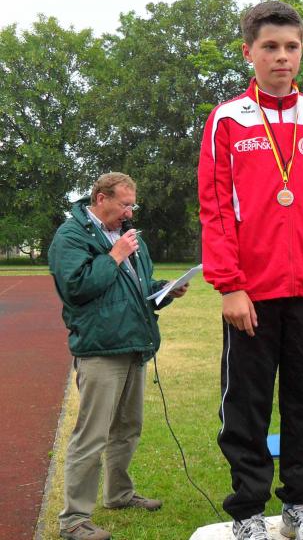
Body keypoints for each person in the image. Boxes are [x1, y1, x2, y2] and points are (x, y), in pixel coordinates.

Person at [198, 0, 303, 540]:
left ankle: (300, 503)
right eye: (270, 47)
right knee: (247, 404)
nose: (282, 57)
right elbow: (216, 209)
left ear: (301, 51)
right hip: (252, 294)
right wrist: (230, 286)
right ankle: (247, 510)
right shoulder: (228, 120)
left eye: (291, 47)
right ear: (249, 52)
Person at [48, 172, 189, 540]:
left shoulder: (127, 235)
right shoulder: (71, 236)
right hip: (100, 349)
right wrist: (114, 255)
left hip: (133, 344)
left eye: (132, 205)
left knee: (128, 428)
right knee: (91, 436)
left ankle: (118, 494)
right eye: (124, 205)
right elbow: (76, 288)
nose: (130, 212)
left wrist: (164, 290)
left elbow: (138, 286)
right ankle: (74, 519)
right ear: (101, 199)